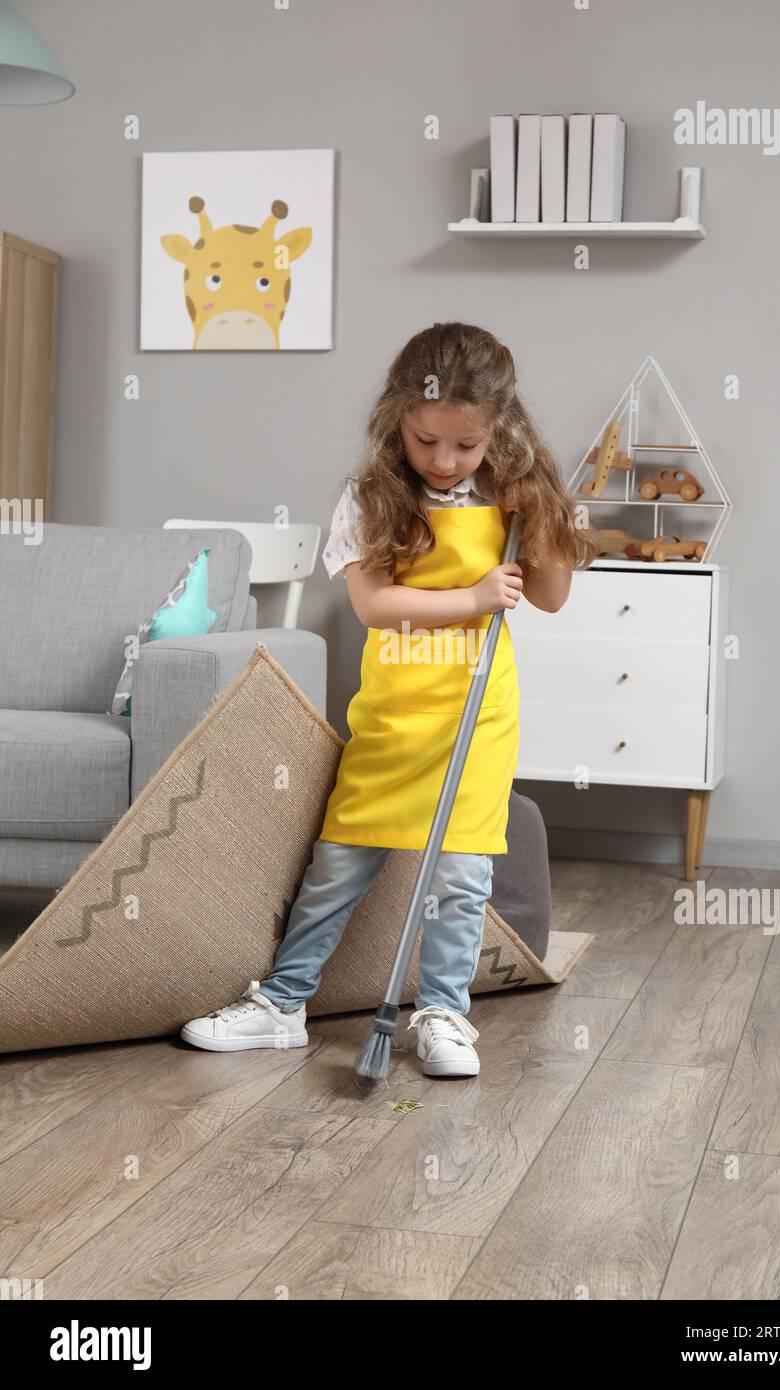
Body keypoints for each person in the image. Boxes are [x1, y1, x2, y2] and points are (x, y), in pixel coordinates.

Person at [182, 322, 598, 1076]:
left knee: (463, 876)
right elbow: (375, 608)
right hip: (394, 715)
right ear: (396, 422)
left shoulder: (509, 494)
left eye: (465, 447)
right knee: (339, 863)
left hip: (477, 716)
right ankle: (281, 1004)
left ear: (497, 432)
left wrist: (545, 520)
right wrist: (473, 595)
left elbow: (553, 597)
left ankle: (442, 1015)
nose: (443, 462)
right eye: (425, 440)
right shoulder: (370, 496)